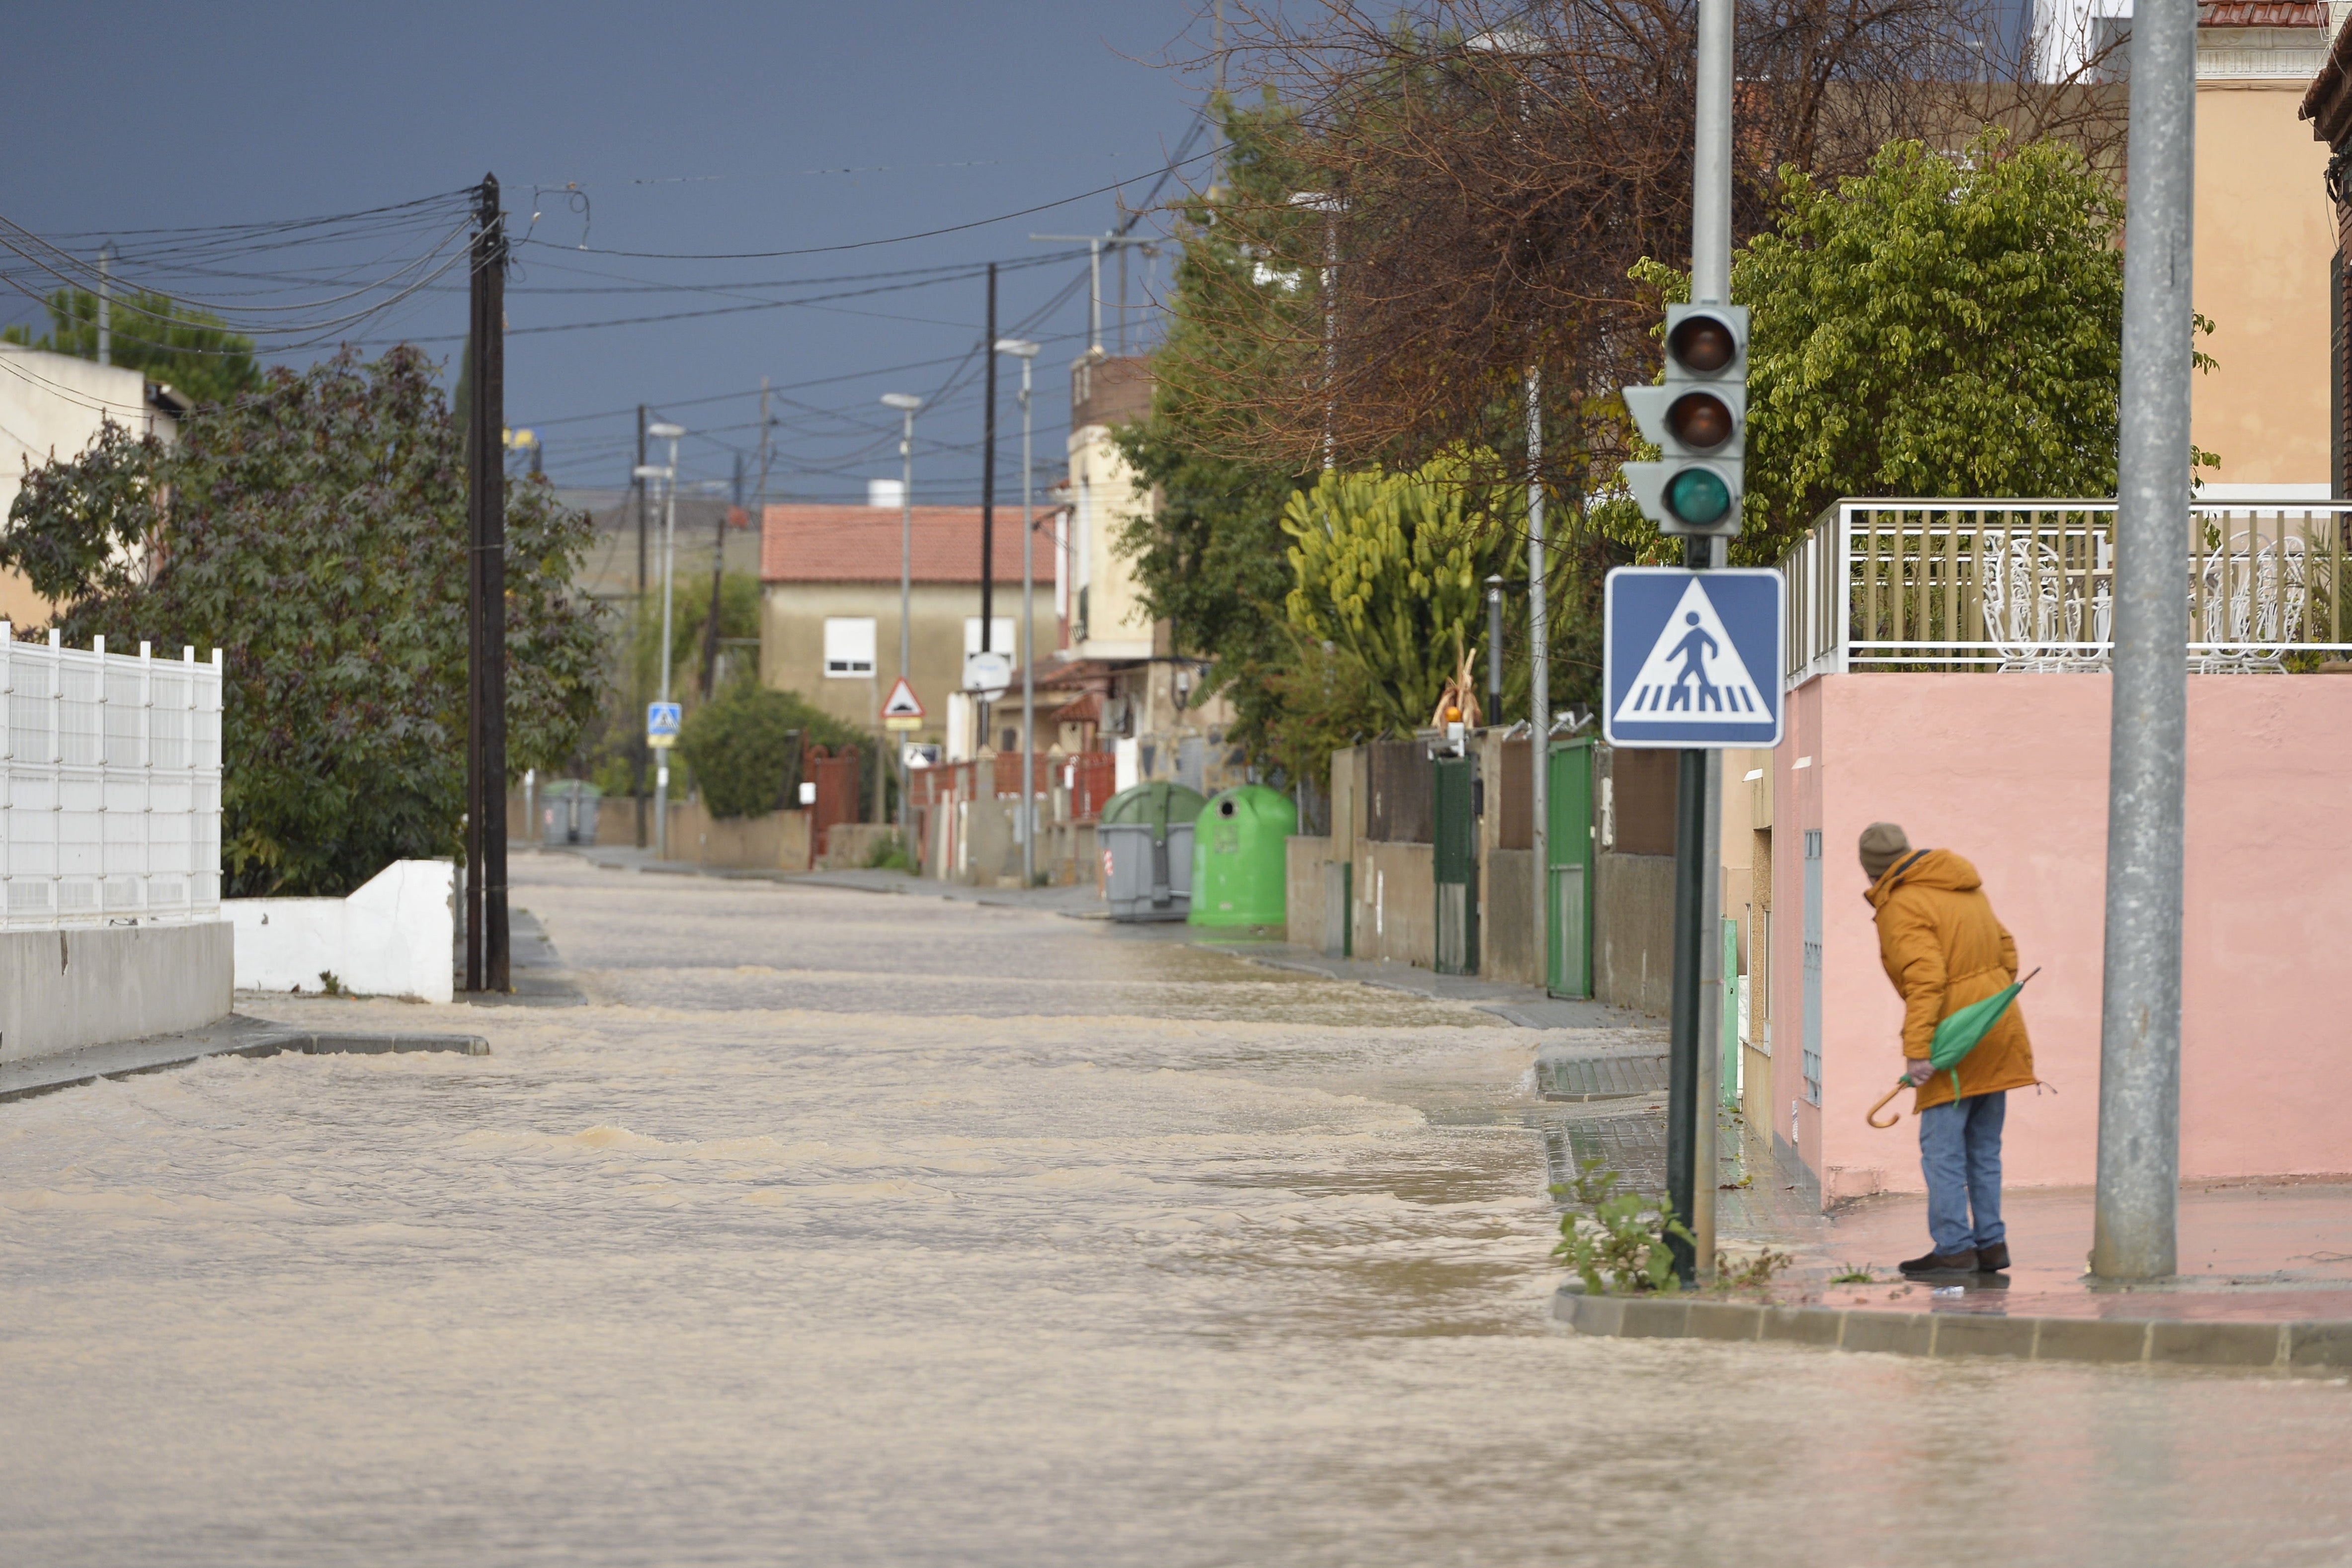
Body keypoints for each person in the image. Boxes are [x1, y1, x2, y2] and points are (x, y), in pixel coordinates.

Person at [1860, 822, 2035, 1279]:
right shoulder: (1964, 886)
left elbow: (1925, 978)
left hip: (1950, 1041)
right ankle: (1991, 1243)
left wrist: (1918, 1050)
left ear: (1873, 873)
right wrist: (1983, 1000)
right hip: (1993, 1026)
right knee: (1984, 1147)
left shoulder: (1902, 903)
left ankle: (1955, 1247)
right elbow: (2006, 949)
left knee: (1942, 1151)